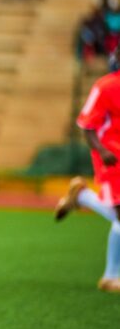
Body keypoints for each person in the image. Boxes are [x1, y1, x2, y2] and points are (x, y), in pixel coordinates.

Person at [55, 45, 120, 293]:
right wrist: (102, 151)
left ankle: (82, 196)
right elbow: (87, 125)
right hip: (111, 156)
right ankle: (111, 276)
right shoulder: (105, 87)